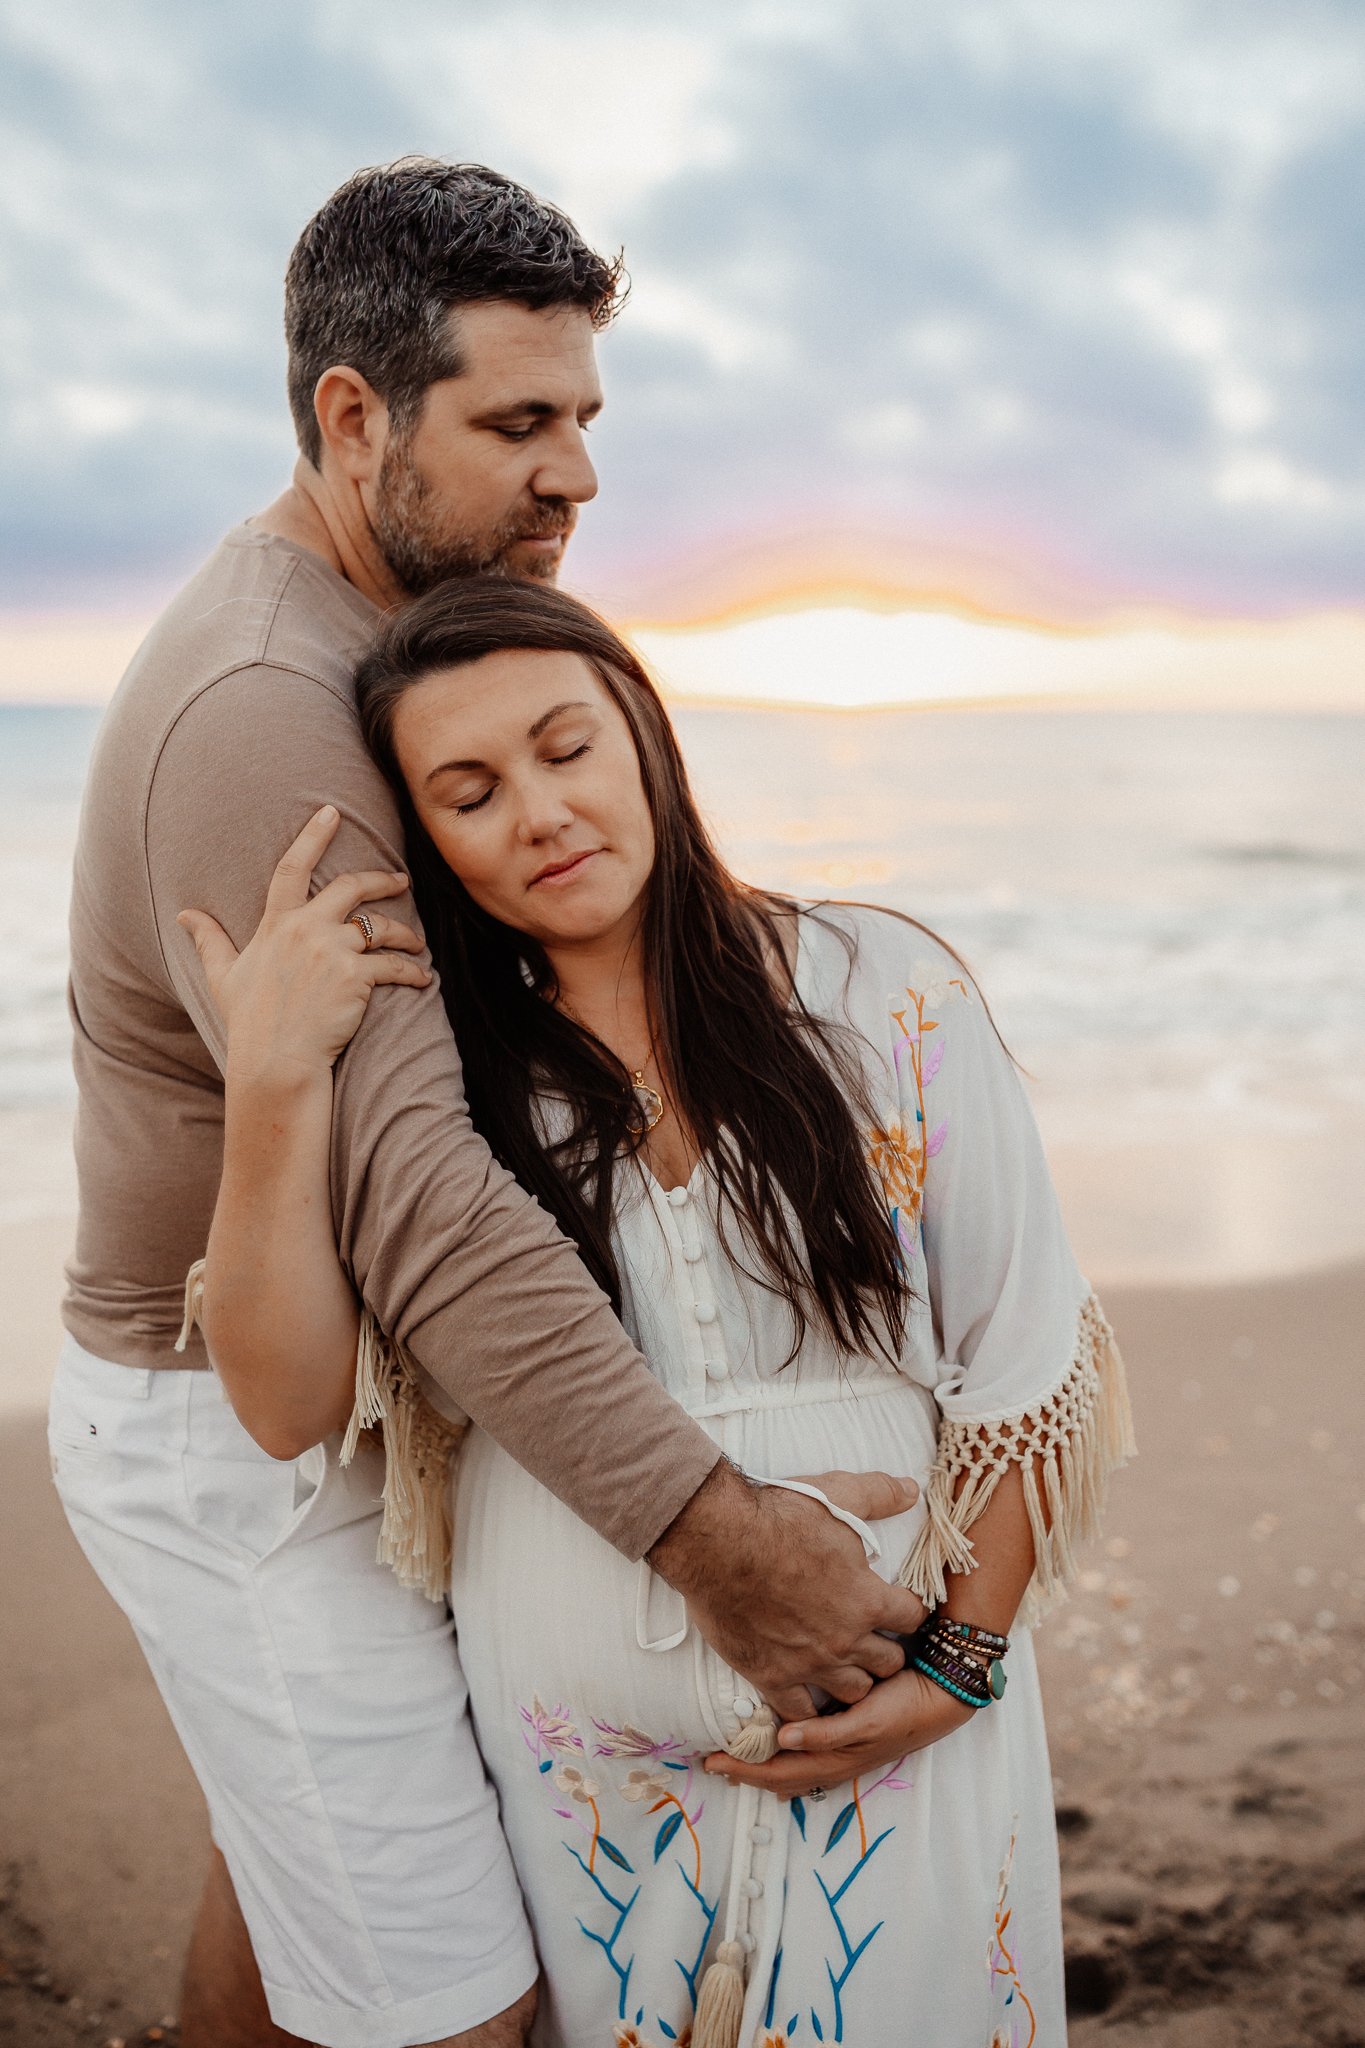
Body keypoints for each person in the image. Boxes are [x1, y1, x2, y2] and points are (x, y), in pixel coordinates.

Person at [50, 160, 926, 2048]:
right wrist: (723, 1541)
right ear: (352, 418)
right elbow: (419, 1194)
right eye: (519, 423)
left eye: (587, 420)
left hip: (344, 1404)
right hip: (245, 1436)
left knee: (319, 1918)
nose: (579, 476)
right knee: (461, 2007)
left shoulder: (375, 638)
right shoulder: (271, 705)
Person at [182, 575, 1135, 2048]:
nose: (541, 813)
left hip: (899, 1728)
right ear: (423, 834)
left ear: (643, 736)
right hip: (583, 1777)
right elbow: (284, 1398)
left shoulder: (879, 989)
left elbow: (1024, 1365)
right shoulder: (440, 1087)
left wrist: (958, 1666)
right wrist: (271, 1083)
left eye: (566, 748)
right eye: (469, 790)